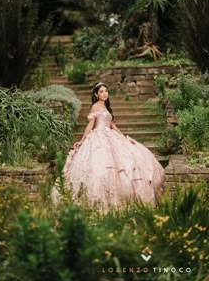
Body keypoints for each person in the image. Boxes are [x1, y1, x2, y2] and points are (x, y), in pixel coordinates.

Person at [57, 82, 165, 210]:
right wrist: (81, 140)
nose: (104, 93)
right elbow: (91, 125)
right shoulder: (95, 107)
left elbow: (113, 125)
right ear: (96, 94)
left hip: (110, 135)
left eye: (106, 91)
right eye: (101, 92)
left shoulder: (107, 107)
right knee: (101, 166)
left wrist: (123, 137)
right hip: (99, 137)